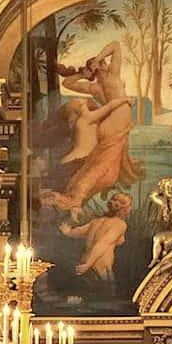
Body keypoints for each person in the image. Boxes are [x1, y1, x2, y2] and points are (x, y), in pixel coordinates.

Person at [40, 43, 140, 216]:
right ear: (101, 67)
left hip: (110, 124)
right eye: (103, 63)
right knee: (103, 167)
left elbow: (67, 83)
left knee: (105, 167)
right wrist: (98, 60)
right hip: (116, 122)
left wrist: (83, 74)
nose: (107, 64)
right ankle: (76, 199)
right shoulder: (112, 77)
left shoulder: (93, 87)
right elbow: (116, 46)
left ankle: (78, 196)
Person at [60, 193, 133, 280]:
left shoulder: (96, 222)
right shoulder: (119, 224)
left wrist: (67, 232)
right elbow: (103, 243)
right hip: (99, 267)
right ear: (125, 208)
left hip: (84, 262)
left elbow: (77, 231)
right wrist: (88, 264)